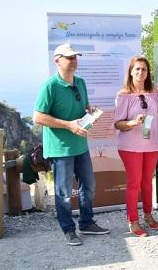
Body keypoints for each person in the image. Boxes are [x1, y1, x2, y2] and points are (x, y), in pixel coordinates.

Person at [34, 43, 110, 246]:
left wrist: (89, 111)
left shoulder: (81, 83)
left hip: (80, 145)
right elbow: (38, 117)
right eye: (69, 57)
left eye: (75, 56)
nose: (74, 60)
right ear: (57, 60)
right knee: (64, 192)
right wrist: (68, 125)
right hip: (60, 149)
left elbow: (82, 107)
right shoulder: (50, 86)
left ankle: (86, 223)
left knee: (89, 186)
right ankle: (68, 229)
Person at [113, 56, 158, 237]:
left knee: (147, 182)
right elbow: (117, 124)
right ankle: (133, 221)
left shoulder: (154, 93)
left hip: (152, 145)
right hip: (130, 146)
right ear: (131, 72)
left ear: (148, 73)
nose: (141, 72)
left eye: (144, 69)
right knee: (134, 183)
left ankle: (148, 215)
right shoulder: (123, 95)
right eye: (137, 69)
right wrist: (132, 123)